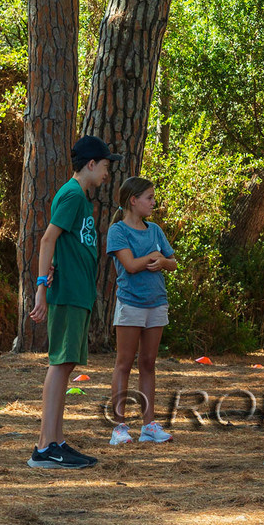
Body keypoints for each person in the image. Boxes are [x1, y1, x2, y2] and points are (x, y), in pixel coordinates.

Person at [26, 134, 113, 473]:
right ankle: (45, 446)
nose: (107, 173)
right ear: (90, 164)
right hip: (66, 293)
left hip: (78, 294)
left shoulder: (80, 198)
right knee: (60, 365)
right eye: (105, 166)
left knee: (67, 365)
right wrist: (41, 288)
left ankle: (57, 441)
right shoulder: (73, 195)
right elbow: (48, 238)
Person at [105, 176, 176, 445]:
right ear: (133, 201)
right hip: (130, 303)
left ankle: (149, 426)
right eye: (149, 197)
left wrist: (164, 262)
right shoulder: (118, 231)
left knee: (148, 364)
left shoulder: (155, 230)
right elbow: (131, 265)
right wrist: (154, 258)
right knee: (124, 363)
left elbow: (173, 262)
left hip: (157, 303)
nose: (153, 202)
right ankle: (119, 427)